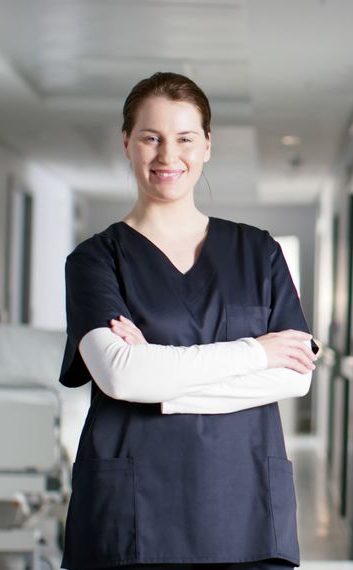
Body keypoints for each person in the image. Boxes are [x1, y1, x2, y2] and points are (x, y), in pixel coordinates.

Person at [57, 72, 318, 569]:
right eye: (150, 137)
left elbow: (296, 376)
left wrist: (157, 383)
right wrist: (255, 352)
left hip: (246, 511)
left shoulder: (258, 251)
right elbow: (118, 374)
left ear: (207, 146)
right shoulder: (95, 261)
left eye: (184, 139)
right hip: (130, 517)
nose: (167, 156)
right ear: (127, 143)